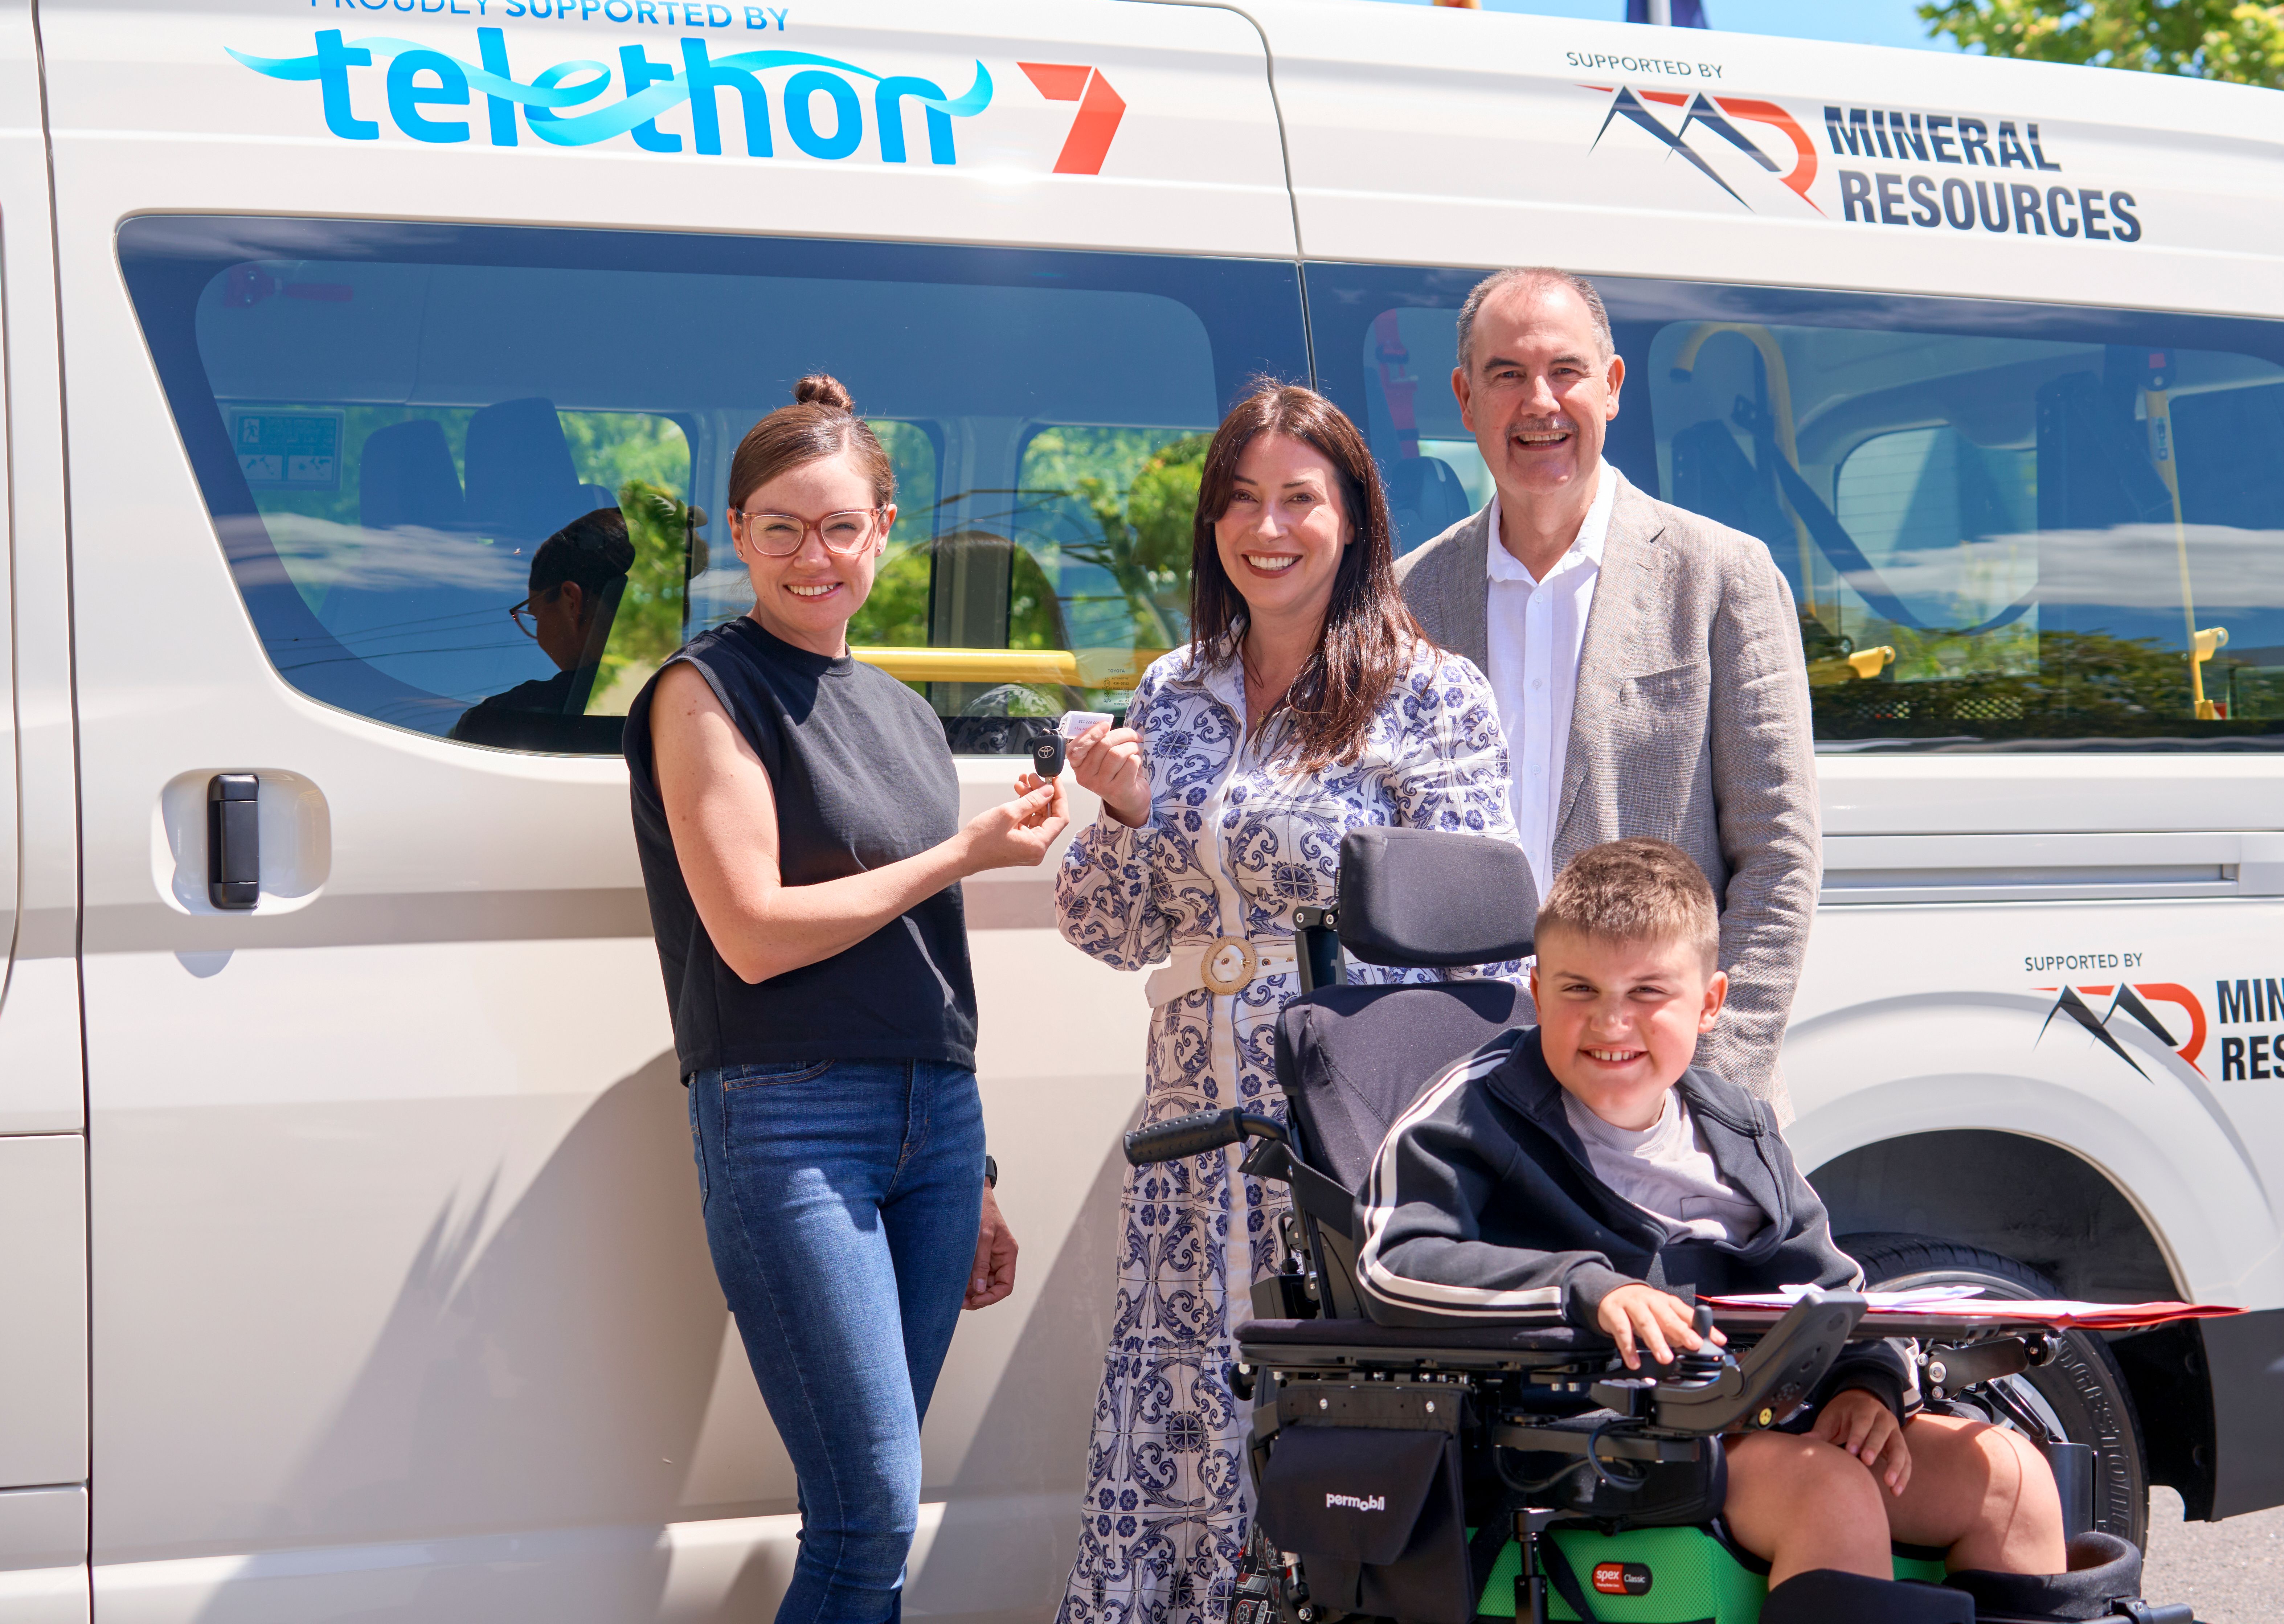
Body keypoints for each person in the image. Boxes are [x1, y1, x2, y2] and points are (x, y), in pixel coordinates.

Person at [1048, 380, 1518, 1624]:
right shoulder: (1171, 688)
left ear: (1352, 519)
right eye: (1241, 501)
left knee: (1327, 1429)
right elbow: (1105, 928)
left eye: (1298, 500)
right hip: (1192, 1121)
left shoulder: (1432, 694)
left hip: (1347, 1126)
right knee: (1183, 1419)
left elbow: (1484, 942)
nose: (1268, 528)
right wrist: (1123, 812)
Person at [1356, 838, 2068, 1624]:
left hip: (1758, 1411)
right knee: (1831, 1489)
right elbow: (1395, 1262)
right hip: (1589, 1434)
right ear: (1536, 988)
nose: (1611, 1020)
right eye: (1578, 988)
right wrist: (1586, 1288)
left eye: (1648, 991)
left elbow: (1835, 1288)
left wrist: (1868, 1385)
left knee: (2008, 1474)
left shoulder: (1738, 1125)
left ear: (1709, 1001)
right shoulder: (1470, 1112)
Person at [625, 374, 1071, 1624]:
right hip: (788, 1122)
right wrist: (961, 854)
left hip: (934, 1129)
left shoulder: (899, 711)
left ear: (885, 530)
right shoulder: (704, 691)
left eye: (837, 527)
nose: (809, 556)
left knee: (876, 1508)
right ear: (731, 534)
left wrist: (973, 1175)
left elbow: (926, 962)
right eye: (778, 527)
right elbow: (754, 936)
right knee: (867, 1513)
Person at [1396, 267, 1818, 1117]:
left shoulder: (1721, 576)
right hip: (1470, 1085)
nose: (1539, 402)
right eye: (1507, 375)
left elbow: (1778, 855)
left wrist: (1710, 1078)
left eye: (1566, 371)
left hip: (1661, 1084)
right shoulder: (1409, 599)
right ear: (1465, 398)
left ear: (1613, 386)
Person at [453, 505, 633, 753]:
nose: (537, 636)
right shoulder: (693, 691)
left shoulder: (499, 724)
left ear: (571, 602)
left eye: (536, 618)